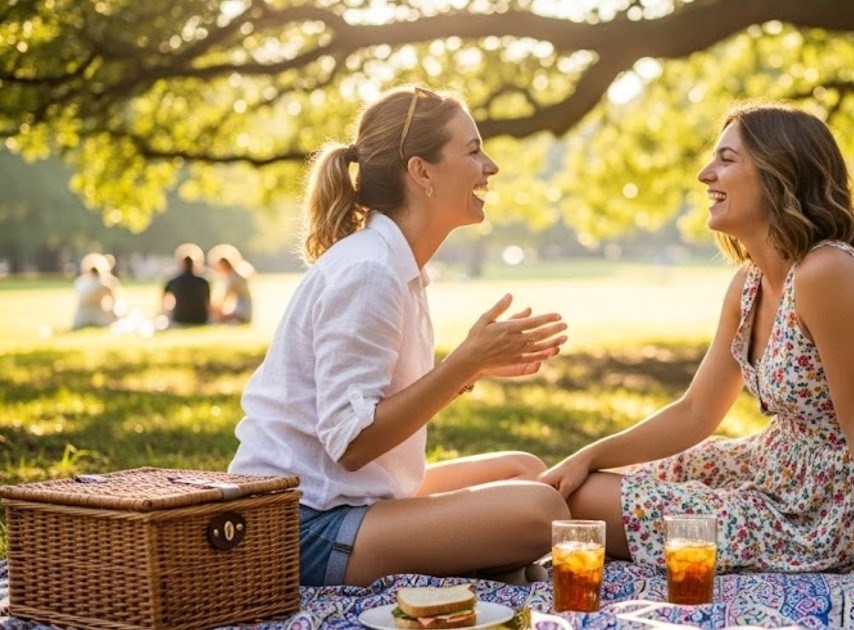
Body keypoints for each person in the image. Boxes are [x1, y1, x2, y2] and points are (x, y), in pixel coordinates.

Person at [539, 102, 854, 602]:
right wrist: (588, 453)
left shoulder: (828, 274)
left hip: (823, 513)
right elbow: (695, 411)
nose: (706, 174)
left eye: (726, 160)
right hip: (769, 467)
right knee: (581, 479)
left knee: (583, 500)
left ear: (778, 173)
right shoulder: (748, 285)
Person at [228, 85, 571, 588]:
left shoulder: (394, 263)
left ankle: (473, 557)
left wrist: (467, 370)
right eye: (473, 151)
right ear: (421, 171)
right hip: (301, 526)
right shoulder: (370, 270)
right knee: (541, 509)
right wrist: (464, 365)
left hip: (351, 498)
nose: (491, 166)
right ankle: (479, 559)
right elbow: (351, 442)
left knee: (526, 470)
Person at [162, 243, 211, 326]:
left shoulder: (173, 281)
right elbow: (208, 303)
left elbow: (164, 302)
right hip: (201, 318)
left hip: (179, 318)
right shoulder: (203, 282)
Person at [207, 243, 254, 324]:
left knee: (215, 316)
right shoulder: (235, 275)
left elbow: (225, 299)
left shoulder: (234, 278)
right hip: (242, 310)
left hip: (242, 312)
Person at [71, 252, 119, 329]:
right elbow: (113, 298)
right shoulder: (104, 282)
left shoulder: (80, 282)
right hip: (98, 317)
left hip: (82, 317)